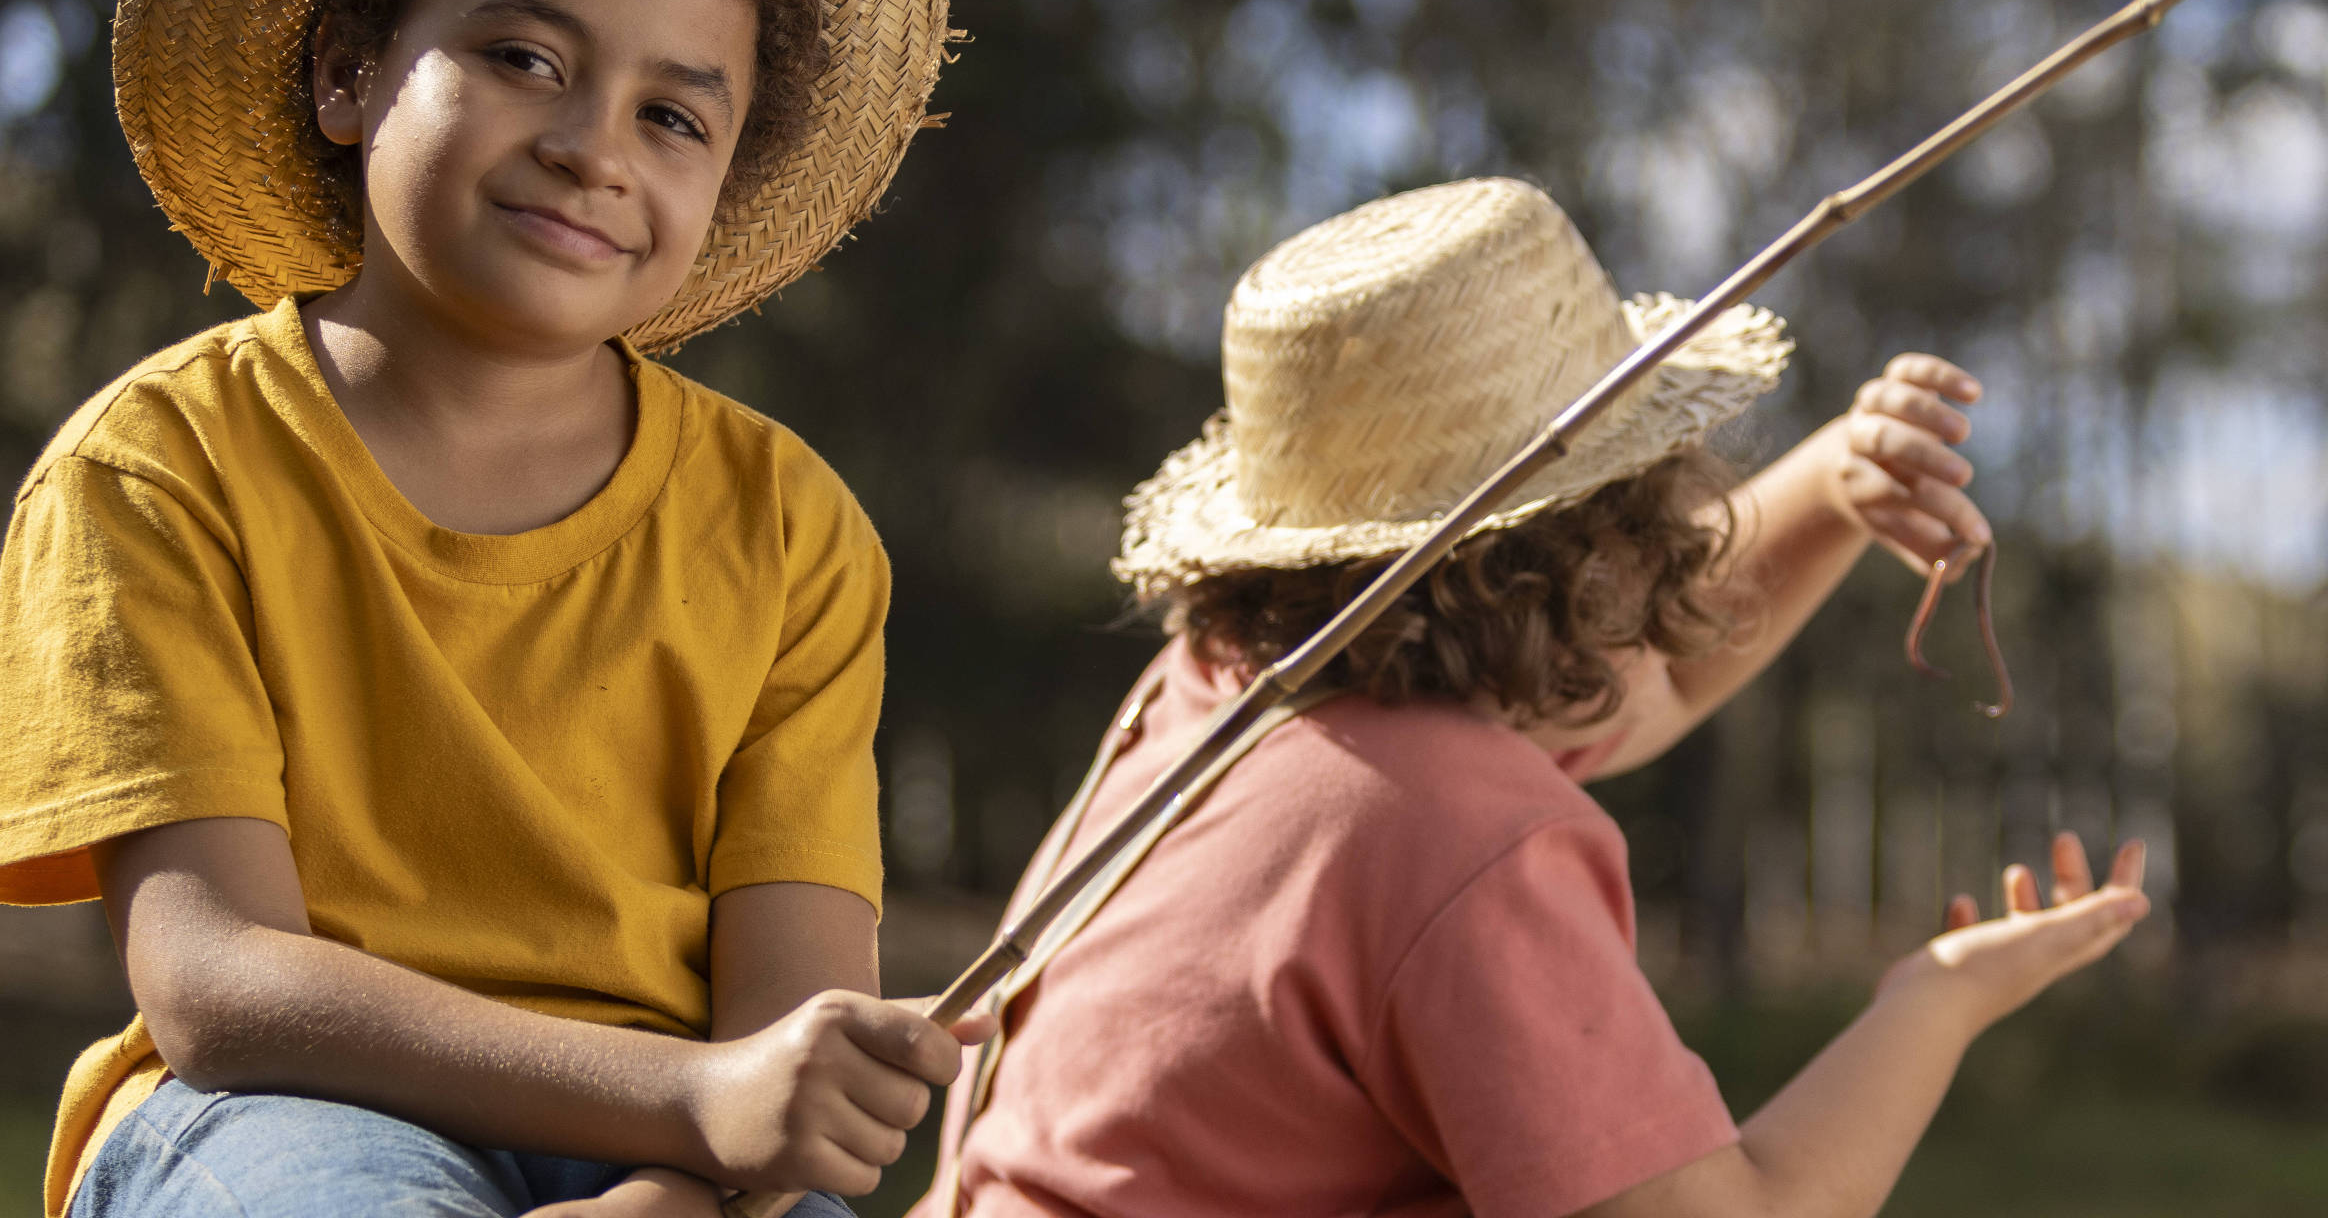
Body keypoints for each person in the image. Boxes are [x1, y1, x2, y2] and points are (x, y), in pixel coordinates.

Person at [0, 0, 986, 1218]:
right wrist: (698, 1102)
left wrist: (675, 1185)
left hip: (680, 1158)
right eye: (524, 60)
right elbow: (215, 983)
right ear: (350, 72)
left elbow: (782, 1040)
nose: (590, 148)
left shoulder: (790, 529)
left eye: (672, 114)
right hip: (280, 1114)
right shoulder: (156, 467)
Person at [917, 177, 2149, 1218]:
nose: (1676, 573)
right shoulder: (1453, 833)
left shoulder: (1222, 695)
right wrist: (1936, 995)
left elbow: (1632, 690)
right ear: (1592, 558)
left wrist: (1830, 487)